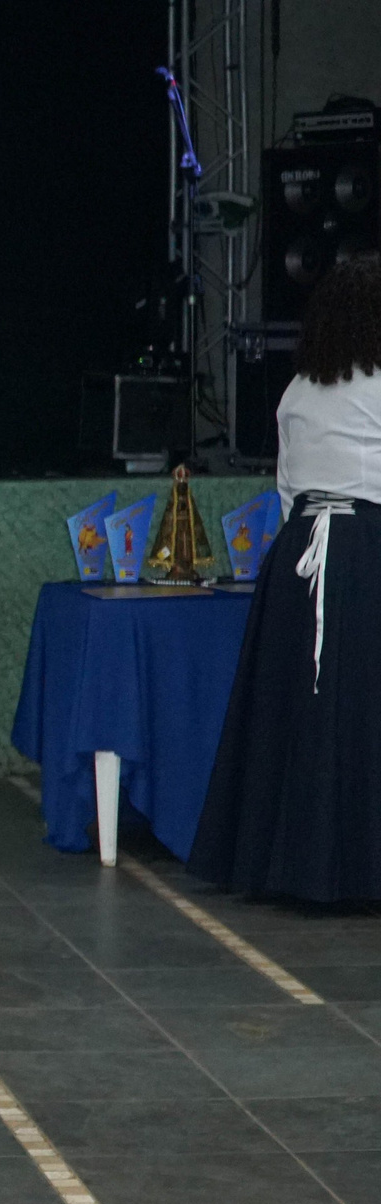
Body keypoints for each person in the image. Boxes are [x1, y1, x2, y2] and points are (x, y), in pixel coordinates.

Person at [191, 256, 381, 901]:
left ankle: (290, 865)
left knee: (303, 712)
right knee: (356, 710)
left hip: (299, 555)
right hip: (364, 550)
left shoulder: (299, 390)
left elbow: (287, 488)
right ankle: (355, 870)